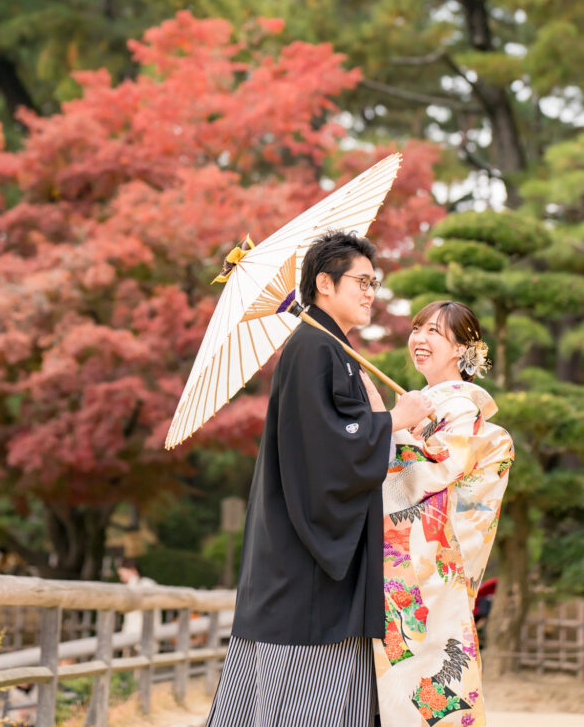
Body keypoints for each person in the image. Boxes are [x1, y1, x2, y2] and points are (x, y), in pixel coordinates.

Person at [206, 231, 433, 727]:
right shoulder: (312, 347)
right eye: (362, 281)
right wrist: (392, 420)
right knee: (305, 700)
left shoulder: (334, 349)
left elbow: (345, 434)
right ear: (324, 284)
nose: (371, 291)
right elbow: (323, 444)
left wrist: (386, 415)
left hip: (317, 553)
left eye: (375, 282)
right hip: (303, 559)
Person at [369, 301, 514, 727]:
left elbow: (428, 474)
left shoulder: (460, 408)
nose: (419, 338)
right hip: (421, 558)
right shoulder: (430, 403)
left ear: (462, 348)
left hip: (429, 561)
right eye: (417, 328)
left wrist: (389, 423)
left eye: (434, 331)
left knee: (425, 664)